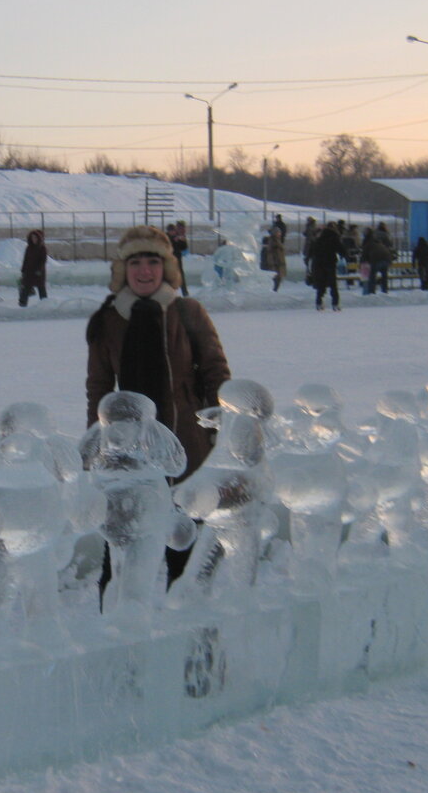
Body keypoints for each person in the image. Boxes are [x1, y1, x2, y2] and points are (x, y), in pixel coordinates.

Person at [85, 225, 231, 593]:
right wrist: (97, 442)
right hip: (127, 454)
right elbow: (99, 387)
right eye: (136, 262)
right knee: (119, 555)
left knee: (187, 554)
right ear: (124, 269)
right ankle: (120, 631)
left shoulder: (187, 312)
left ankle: (189, 630)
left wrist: (215, 433)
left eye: (153, 261)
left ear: (166, 267)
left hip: (186, 447)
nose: (145, 271)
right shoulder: (108, 320)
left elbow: (216, 375)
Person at [309, 224, 345, 311]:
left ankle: (319, 302)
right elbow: (341, 249)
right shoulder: (334, 237)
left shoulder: (318, 238)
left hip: (319, 263)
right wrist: (343, 255)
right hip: (330, 262)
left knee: (321, 283)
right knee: (333, 284)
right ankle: (335, 303)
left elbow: (312, 251)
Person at [361, 224, 394, 295]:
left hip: (377, 259)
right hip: (387, 258)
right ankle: (385, 291)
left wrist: (362, 264)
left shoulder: (367, 243)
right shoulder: (377, 241)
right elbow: (389, 245)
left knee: (372, 276)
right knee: (384, 276)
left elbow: (364, 255)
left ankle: (371, 292)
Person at [19, 229, 48, 306]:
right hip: (29, 272)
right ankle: (22, 304)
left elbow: (43, 260)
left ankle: (45, 304)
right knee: (25, 288)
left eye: (35, 238)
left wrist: (39, 270)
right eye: (32, 238)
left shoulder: (42, 248)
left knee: (41, 289)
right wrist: (23, 270)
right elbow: (25, 260)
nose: (34, 239)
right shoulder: (29, 248)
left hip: (38, 273)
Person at [262, 226, 287, 291]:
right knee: (276, 280)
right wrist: (273, 264)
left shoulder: (277, 240)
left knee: (278, 280)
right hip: (276, 264)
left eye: (279, 232)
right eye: (278, 233)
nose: (279, 234)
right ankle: (273, 292)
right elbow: (271, 255)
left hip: (278, 264)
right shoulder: (273, 241)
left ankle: (274, 292)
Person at [170, 221, 190, 296]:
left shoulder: (181, 236)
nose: (183, 230)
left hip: (177, 258)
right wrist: (174, 240)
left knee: (181, 276)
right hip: (170, 259)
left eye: (184, 229)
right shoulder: (172, 234)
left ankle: (185, 293)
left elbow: (184, 248)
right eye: (182, 228)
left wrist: (182, 241)